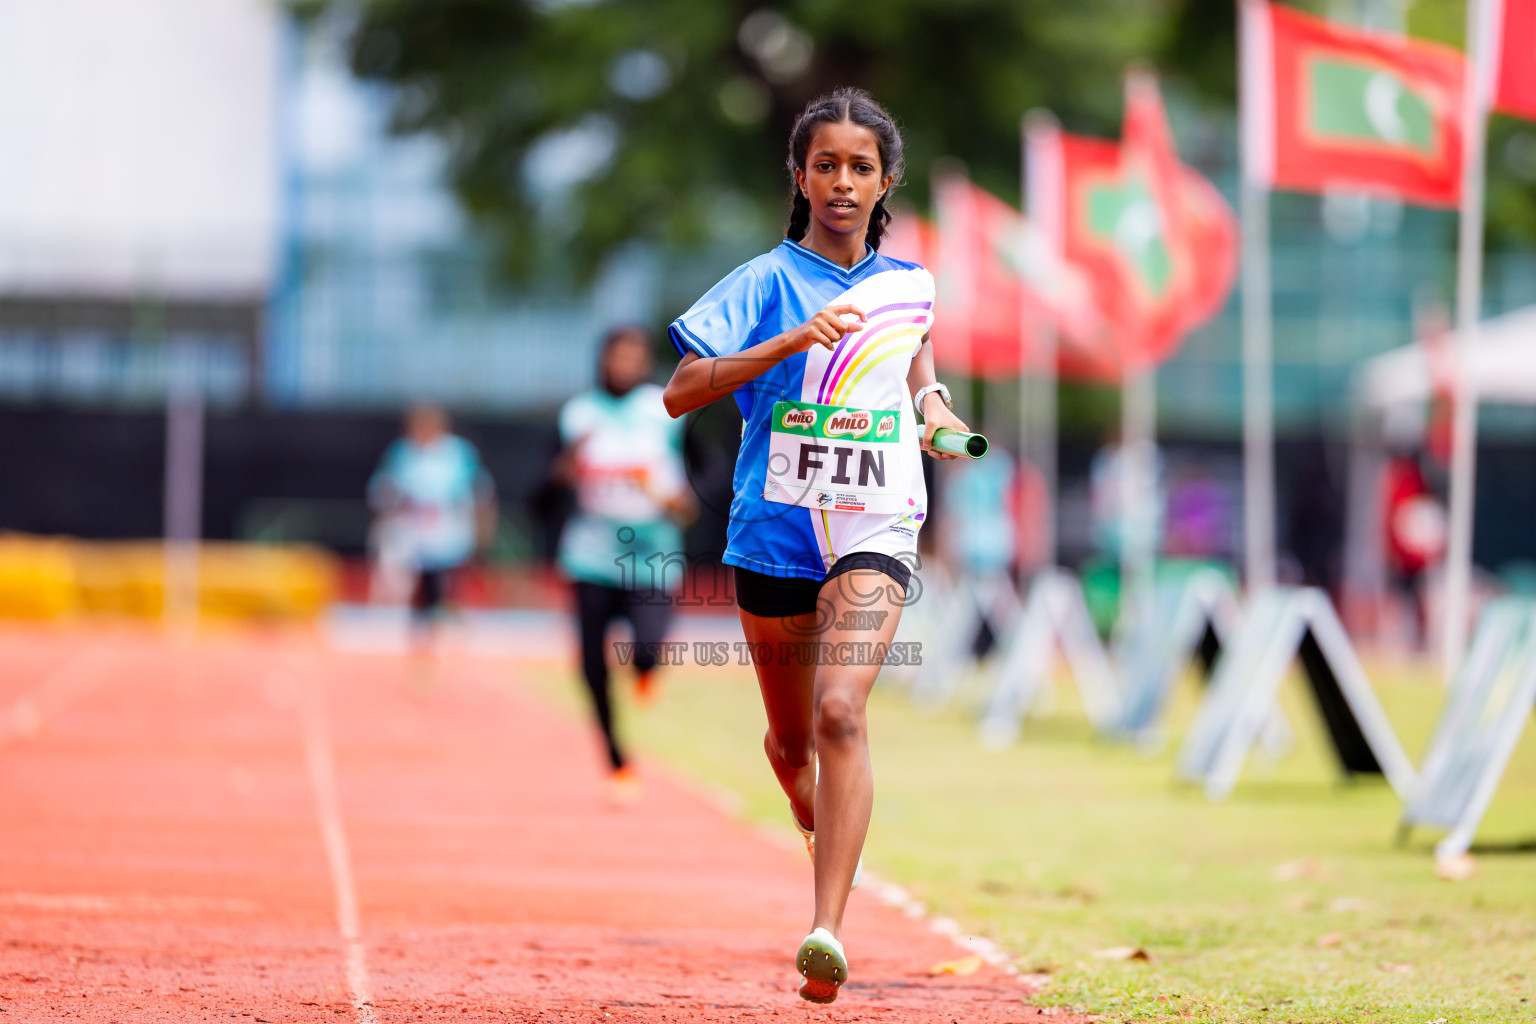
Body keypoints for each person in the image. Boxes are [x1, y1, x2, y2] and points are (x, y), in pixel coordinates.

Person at [661, 87, 969, 1004]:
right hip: (774, 535)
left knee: (843, 714)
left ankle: (827, 927)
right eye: (826, 164)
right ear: (799, 175)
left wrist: (935, 412)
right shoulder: (762, 282)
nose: (842, 182)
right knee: (794, 744)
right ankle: (818, 817)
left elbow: (916, 369)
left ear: (884, 182)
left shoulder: (905, 286)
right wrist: (789, 340)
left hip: (873, 528)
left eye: (861, 168)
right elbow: (681, 391)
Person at [554, 326, 694, 803]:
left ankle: (647, 668)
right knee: (592, 668)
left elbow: (704, 473)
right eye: (617, 355)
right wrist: (564, 468)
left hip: (651, 550)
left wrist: (681, 498)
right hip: (591, 554)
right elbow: (545, 488)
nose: (624, 365)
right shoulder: (579, 414)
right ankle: (617, 762)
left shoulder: (665, 409)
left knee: (648, 648)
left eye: (634, 356)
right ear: (602, 359)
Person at [367, 404, 496, 646]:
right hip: (414, 531)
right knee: (419, 585)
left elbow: (480, 491)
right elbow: (383, 491)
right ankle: (421, 633)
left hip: (449, 529)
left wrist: (483, 528)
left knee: (446, 583)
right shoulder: (402, 453)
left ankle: (448, 628)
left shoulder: (458, 452)